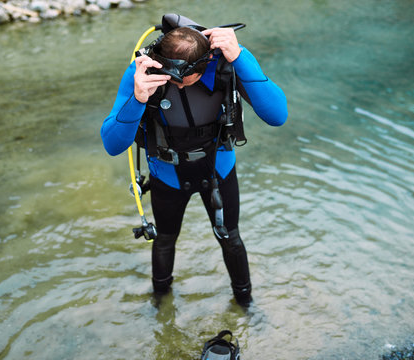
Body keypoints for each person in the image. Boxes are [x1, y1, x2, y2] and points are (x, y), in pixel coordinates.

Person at [101, 14, 287, 306]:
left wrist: (241, 57)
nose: (180, 87)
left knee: (230, 237)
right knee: (165, 239)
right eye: (174, 81)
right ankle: (160, 303)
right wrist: (137, 99)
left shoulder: (228, 62)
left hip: (218, 169)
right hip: (166, 174)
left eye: (187, 80)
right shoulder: (143, 72)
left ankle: (246, 303)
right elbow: (112, 145)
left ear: (205, 65)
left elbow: (277, 116)